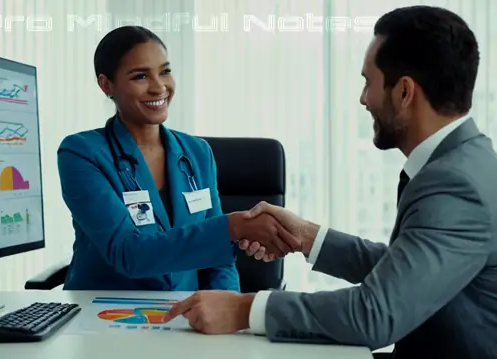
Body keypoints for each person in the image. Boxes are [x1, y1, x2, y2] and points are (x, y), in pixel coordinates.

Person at [162, 6, 497, 359]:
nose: (363, 99)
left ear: (404, 92)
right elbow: (407, 270)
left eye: (369, 83)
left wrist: (245, 309)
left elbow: (374, 313)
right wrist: (306, 237)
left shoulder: (454, 186)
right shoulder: (470, 160)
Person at [57, 26, 290, 291]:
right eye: (141, 76)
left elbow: (219, 261)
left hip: (183, 314)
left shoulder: (197, 153)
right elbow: (128, 254)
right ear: (106, 84)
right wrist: (232, 227)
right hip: (104, 314)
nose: (159, 87)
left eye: (165, 71)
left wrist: (225, 306)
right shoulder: (81, 153)